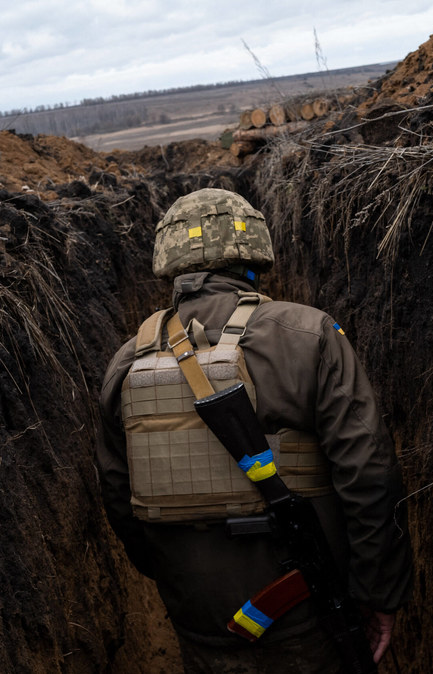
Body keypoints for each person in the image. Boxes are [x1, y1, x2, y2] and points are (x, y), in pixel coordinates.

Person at [96, 188, 411, 673]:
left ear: (170, 261)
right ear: (255, 251)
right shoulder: (309, 333)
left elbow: (119, 496)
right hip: (308, 611)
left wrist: (176, 577)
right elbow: (368, 472)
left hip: (197, 614)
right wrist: (377, 591)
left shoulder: (126, 361)